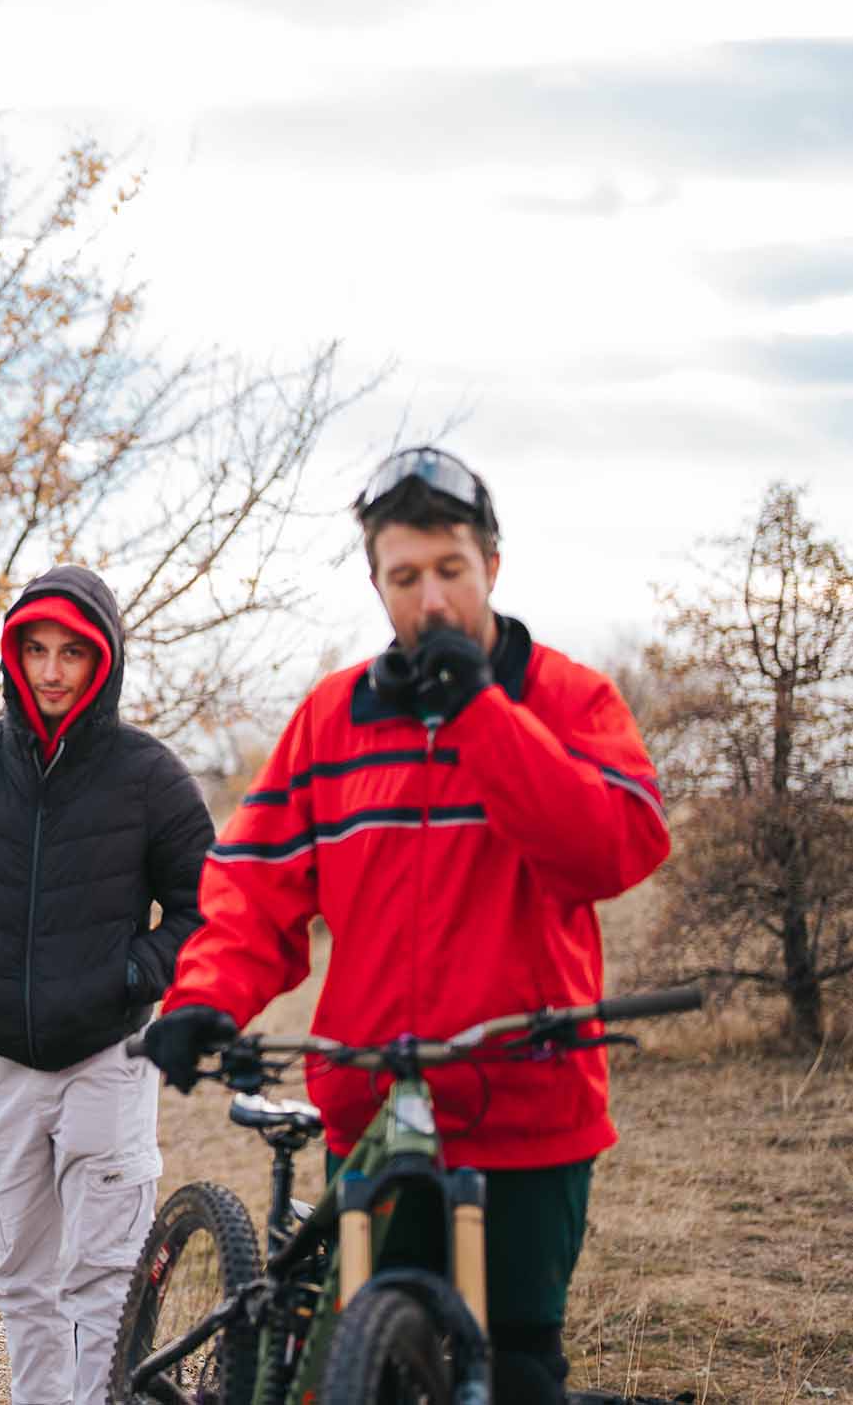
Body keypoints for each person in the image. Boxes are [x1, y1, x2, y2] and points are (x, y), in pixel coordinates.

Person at [139, 447, 672, 1405]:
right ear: (377, 585)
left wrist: (482, 714)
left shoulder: (568, 699)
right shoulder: (331, 718)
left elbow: (612, 851)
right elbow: (255, 884)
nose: (429, 600)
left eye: (449, 570)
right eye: (404, 577)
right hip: (374, 1106)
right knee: (366, 1371)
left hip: (529, 1110)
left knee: (515, 1374)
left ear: (491, 565)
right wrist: (203, 999)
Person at [0, 565, 211, 1405]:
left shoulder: (149, 774)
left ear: (104, 659)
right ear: (14, 654)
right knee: (21, 1275)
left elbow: (205, 903)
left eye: (73, 652)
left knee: (104, 1279)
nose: (53, 670)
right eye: (36, 650)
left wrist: (131, 976)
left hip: (108, 1058)